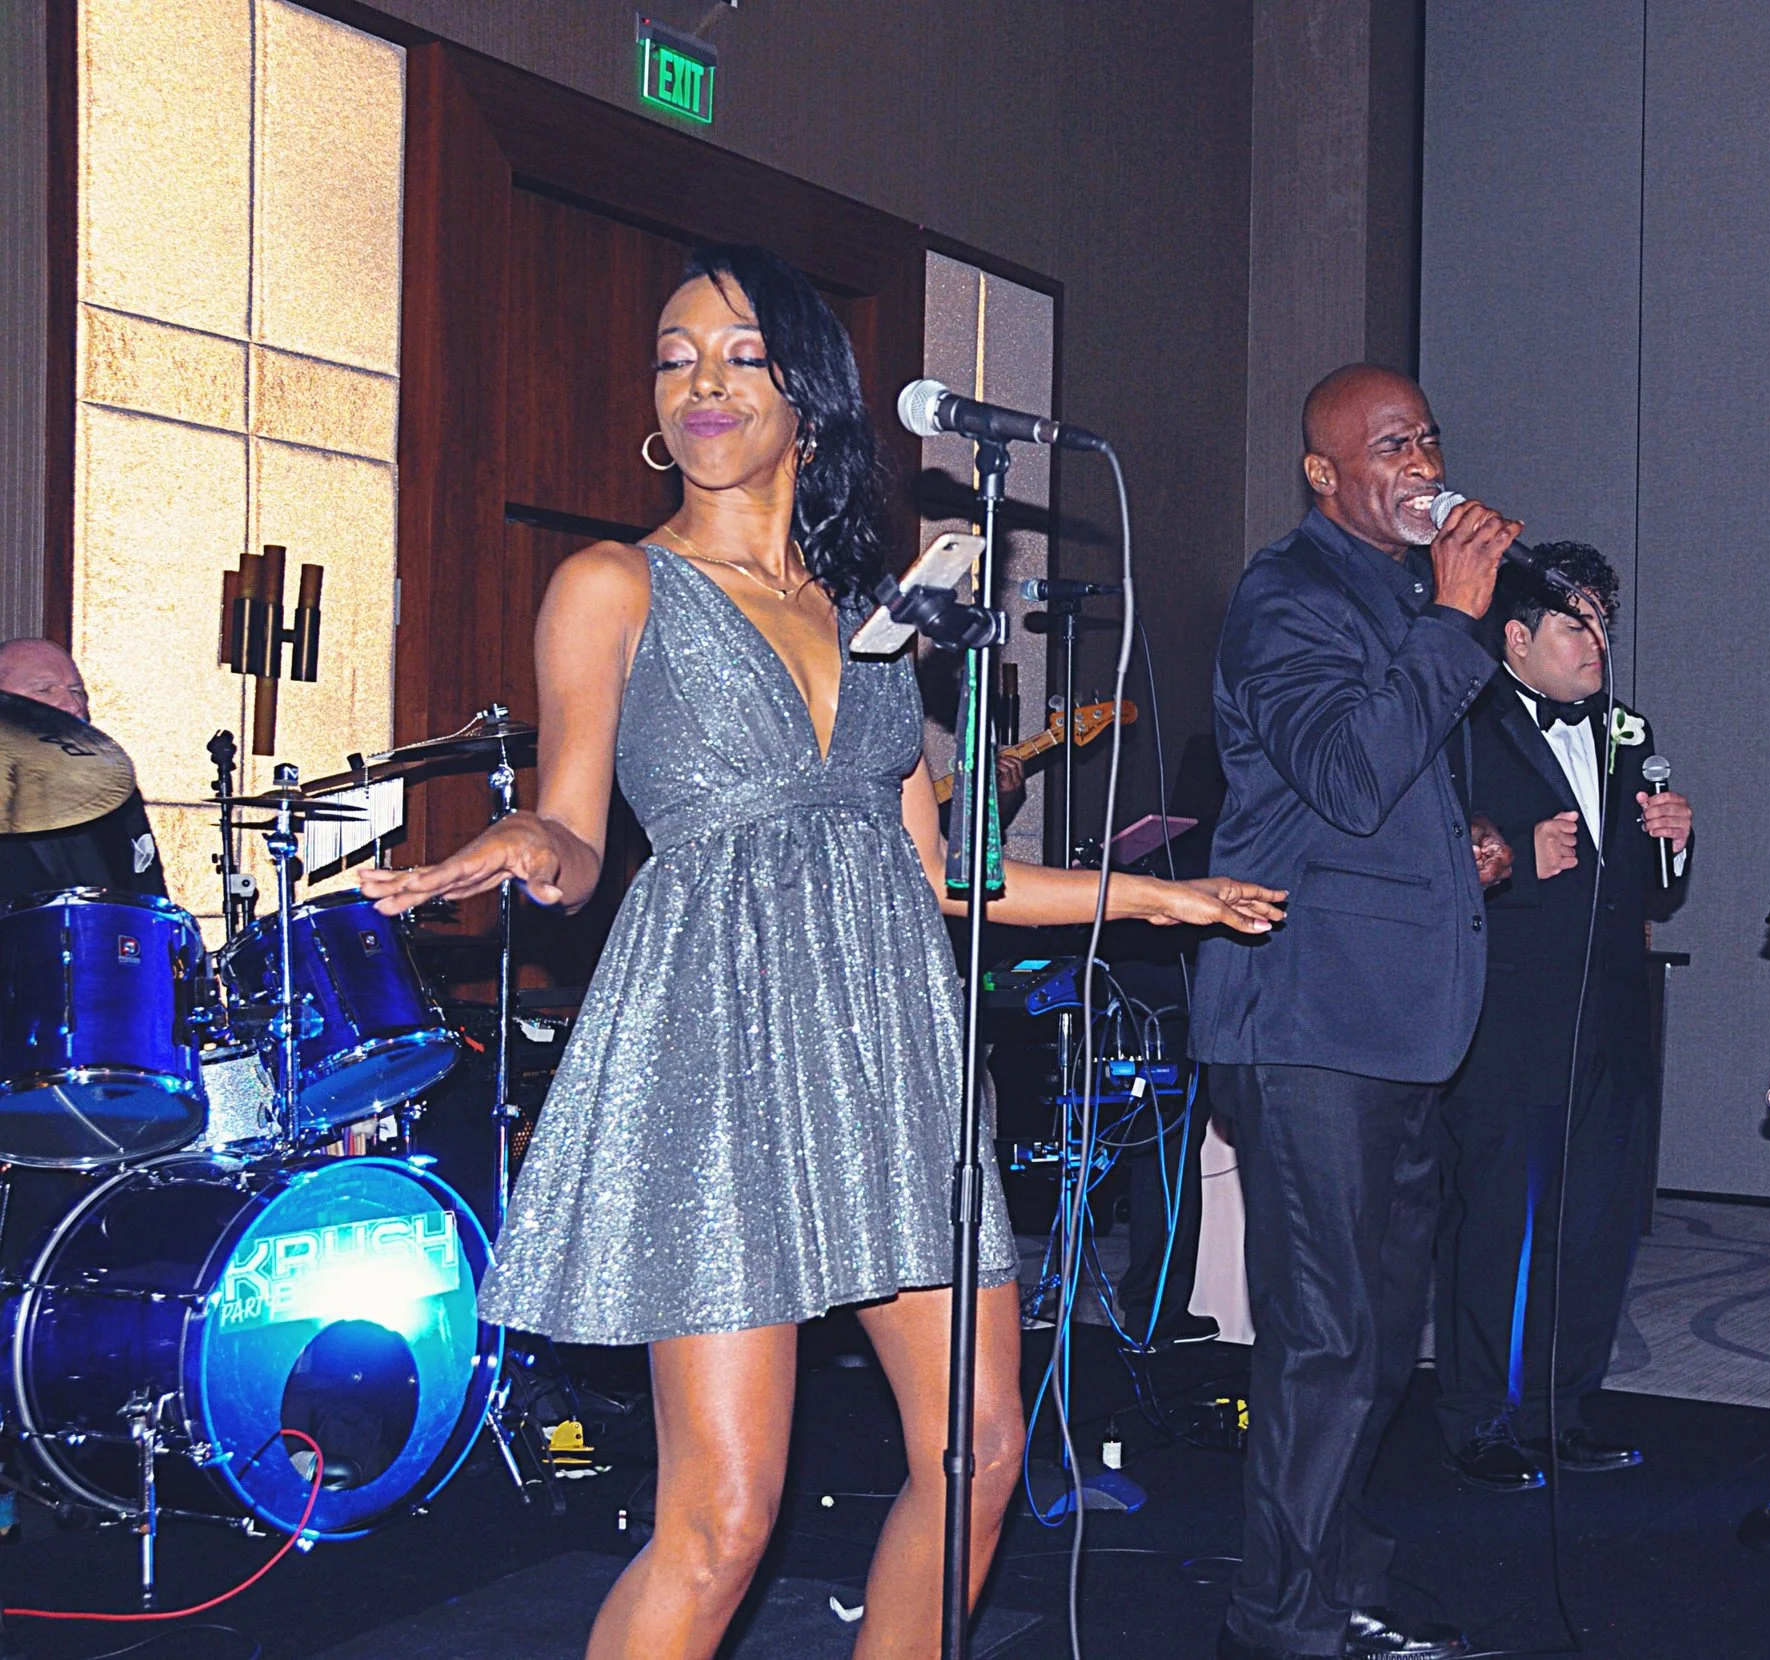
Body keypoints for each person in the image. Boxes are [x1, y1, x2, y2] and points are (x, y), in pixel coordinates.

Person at [359, 245, 1282, 1660]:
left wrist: (1165, 901)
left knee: (979, 1454)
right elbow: (577, 834)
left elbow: (942, 874)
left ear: (808, 395)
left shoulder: (875, 618)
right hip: (717, 1050)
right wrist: (520, 846)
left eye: (740, 356)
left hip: (888, 1055)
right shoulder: (612, 585)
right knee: (725, 1518)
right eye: (675, 358)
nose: (703, 383)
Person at [1191, 363, 1519, 1660]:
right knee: (1324, 1341)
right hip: (1307, 1022)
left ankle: (1338, 1577)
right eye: (1390, 446)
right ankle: (1280, 1626)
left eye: (1427, 436)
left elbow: (1379, 800)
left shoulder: (1400, 593)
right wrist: (1458, 619)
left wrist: (1463, 842)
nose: (1423, 462)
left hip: (1393, 1024)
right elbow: (1341, 771)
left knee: (1380, 1339)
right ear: (1324, 475)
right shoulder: (1288, 596)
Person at [1435, 542, 1691, 1494]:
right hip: (1511, 1015)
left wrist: (1673, 844)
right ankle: (1476, 1418)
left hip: (1614, 1015)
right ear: (1516, 638)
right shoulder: (1462, 723)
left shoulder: (1629, 728)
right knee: (1496, 1222)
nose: (1597, 643)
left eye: (1603, 624)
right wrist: (1518, 863)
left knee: (1595, 1225)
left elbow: (1649, 890)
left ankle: (1561, 1408)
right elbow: (1424, 864)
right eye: (1575, 624)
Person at [0, 640, 165, 903]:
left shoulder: (112, 785)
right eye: (44, 689)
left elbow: (146, 890)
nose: (72, 705)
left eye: (77, 691)